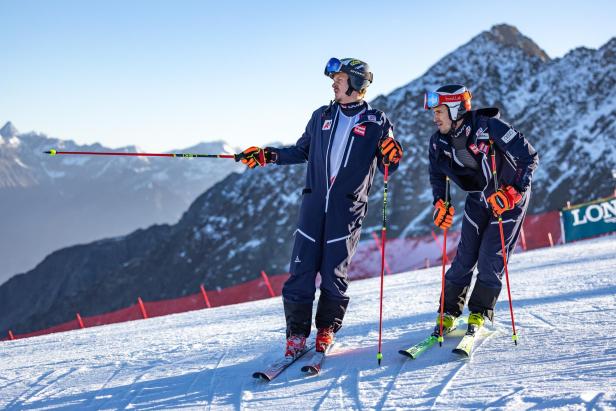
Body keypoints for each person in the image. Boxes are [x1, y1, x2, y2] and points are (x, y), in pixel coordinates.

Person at [240, 58, 403, 357]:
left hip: (347, 210)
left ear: (356, 82)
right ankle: (297, 334)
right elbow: (302, 150)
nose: (333, 83)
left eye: (339, 78)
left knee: (333, 274)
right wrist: (268, 155)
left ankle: (326, 329)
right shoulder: (321, 116)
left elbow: (388, 160)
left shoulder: (377, 121)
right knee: (300, 271)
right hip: (314, 204)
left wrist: (392, 153)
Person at [425, 84, 538, 336]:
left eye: (439, 111)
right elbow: (436, 174)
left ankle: (479, 311)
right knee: (464, 256)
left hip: (507, 199)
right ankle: (448, 312)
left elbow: (528, 157)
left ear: (455, 109)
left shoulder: (489, 127)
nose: (434, 117)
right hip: (478, 198)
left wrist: (514, 192)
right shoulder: (438, 142)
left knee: (490, 257)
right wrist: (440, 201)